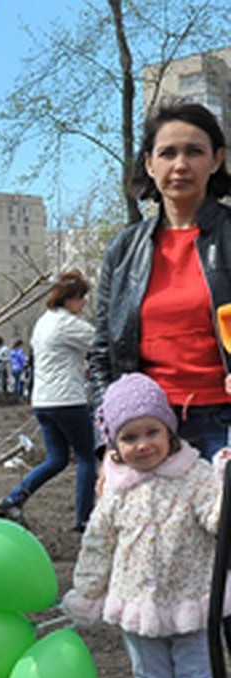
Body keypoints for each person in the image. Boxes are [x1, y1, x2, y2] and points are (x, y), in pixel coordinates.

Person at [62, 373, 231, 678]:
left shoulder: (193, 476)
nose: (143, 445)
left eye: (152, 432)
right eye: (130, 437)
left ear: (169, 430)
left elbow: (217, 521)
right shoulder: (116, 490)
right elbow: (98, 544)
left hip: (191, 603)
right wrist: (87, 591)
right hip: (137, 606)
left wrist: (226, 483)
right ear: (114, 444)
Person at [91, 101, 231, 459]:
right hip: (148, 432)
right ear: (150, 164)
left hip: (224, 427)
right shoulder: (124, 250)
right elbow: (102, 357)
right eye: (168, 153)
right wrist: (108, 442)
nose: (180, 165)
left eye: (194, 152)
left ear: (216, 160)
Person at [0, 270, 97, 531]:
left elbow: (60, 358)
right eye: (80, 298)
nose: (83, 303)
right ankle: (85, 517)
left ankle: (15, 497)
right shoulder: (68, 323)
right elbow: (101, 341)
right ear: (68, 299)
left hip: (42, 401)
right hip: (68, 400)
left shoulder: (43, 322)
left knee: (57, 459)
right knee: (86, 457)